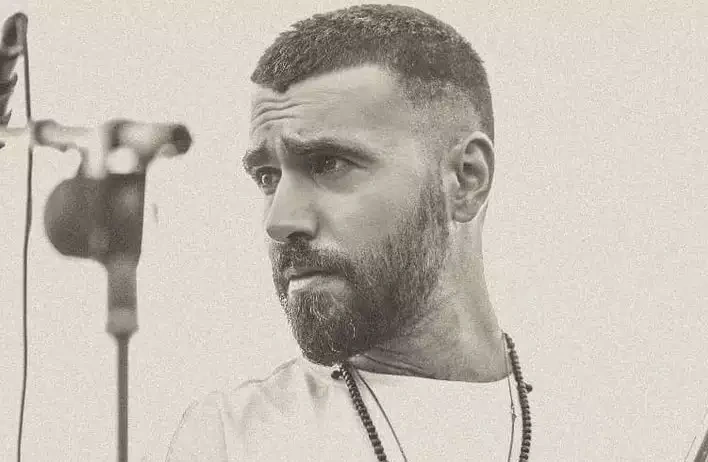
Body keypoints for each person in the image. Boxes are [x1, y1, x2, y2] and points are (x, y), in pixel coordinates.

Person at [165, 4, 533, 461]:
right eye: (267, 177)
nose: (278, 222)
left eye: (329, 164)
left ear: (465, 179)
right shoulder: (231, 440)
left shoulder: (603, 423)